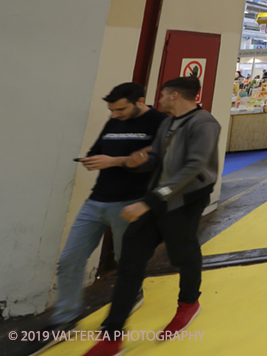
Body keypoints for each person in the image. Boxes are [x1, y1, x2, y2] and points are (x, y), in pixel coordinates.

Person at [85, 76, 220, 356]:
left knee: (183, 254)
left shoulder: (204, 123)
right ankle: (111, 337)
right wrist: (137, 163)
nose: (157, 101)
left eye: (161, 96)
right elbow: (157, 159)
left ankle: (189, 303)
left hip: (184, 201)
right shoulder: (168, 124)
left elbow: (194, 166)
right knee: (130, 263)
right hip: (156, 199)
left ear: (173, 96)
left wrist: (149, 202)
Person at [33, 84, 164, 349]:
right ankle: (65, 317)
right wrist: (92, 160)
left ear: (140, 101)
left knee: (124, 262)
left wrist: (114, 161)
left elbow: (156, 159)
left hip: (131, 202)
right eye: (111, 110)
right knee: (70, 259)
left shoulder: (160, 122)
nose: (114, 115)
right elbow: (98, 151)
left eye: (120, 109)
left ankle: (131, 293)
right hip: (95, 201)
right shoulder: (114, 120)